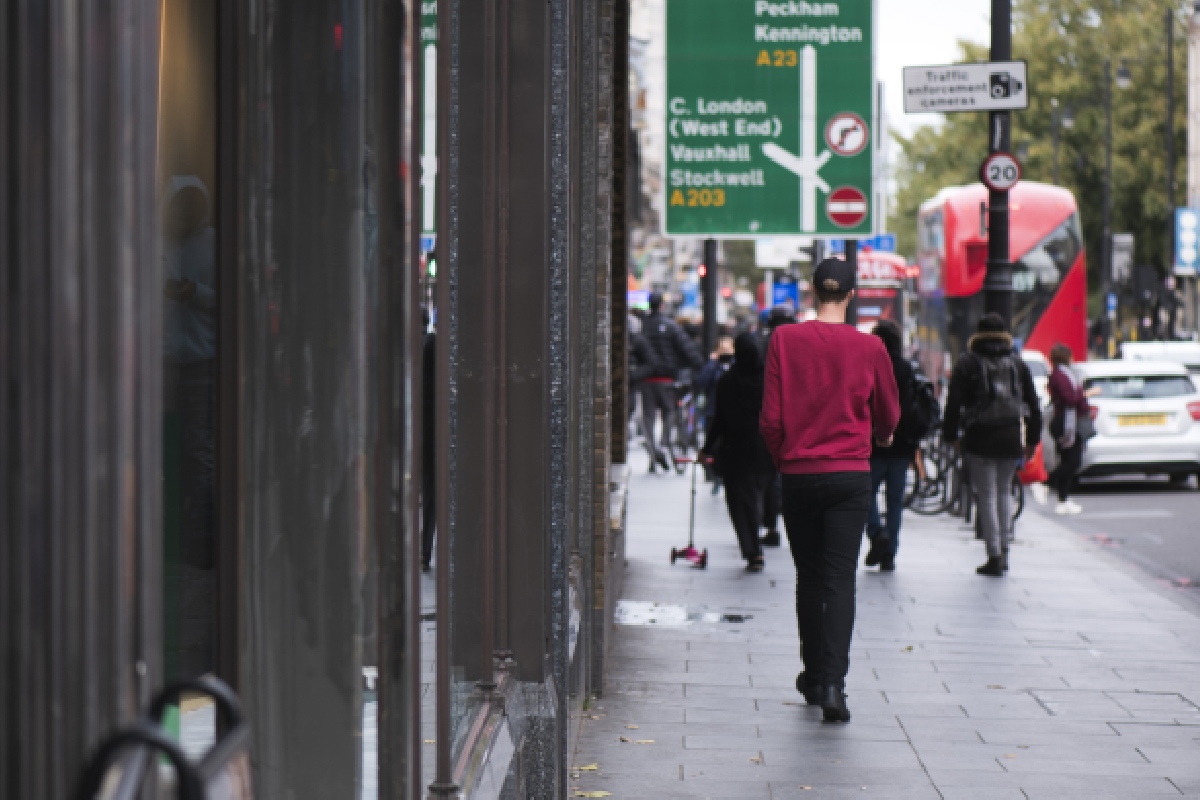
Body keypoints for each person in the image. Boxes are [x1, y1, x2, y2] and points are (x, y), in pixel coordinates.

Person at [761, 258, 900, 723]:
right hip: (849, 474)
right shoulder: (871, 347)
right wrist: (882, 435)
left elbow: (771, 419)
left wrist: (785, 458)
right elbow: (889, 413)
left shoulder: (784, 340)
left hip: (799, 473)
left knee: (809, 576)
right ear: (852, 295)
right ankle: (835, 685)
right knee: (841, 578)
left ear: (812, 291)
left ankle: (814, 674)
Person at [942, 314, 1042, 577]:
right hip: (1010, 437)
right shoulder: (1017, 364)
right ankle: (1005, 550)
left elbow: (953, 403)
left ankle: (994, 554)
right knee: (1004, 493)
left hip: (979, 437)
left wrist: (951, 436)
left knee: (985, 496)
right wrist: (1032, 439)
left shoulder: (967, 363)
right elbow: (1033, 404)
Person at [702, 333, 774, 572]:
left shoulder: (728, 381)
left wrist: (707, 448)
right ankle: (756, 543)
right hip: (764, 449)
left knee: (738, 502)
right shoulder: (769, 381)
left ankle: (751, 549)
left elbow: (719, 420)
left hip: (735, 450)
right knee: (757, 495)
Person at [864, 320, 916, 573]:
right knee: (895, 502)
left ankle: (877, 533)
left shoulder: (870, 365)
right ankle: (889, 554)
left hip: (873, 443)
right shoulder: (905, 368)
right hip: (901, 444)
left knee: (866, 494)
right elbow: (910, 406)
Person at [640, 292, 704, 473]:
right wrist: (701, 366)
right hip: (667, 378)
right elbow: (687, 349)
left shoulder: (643, 326)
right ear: (662, 305)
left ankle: (653, 452)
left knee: (648, 417)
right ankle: (664, 442)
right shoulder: (671, 326)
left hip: (646, 378)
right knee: (670, 412)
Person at [758, 307, 797, 547]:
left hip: (770, 414)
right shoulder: (800, 344)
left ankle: (771, 525)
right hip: (798, 416)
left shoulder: (764, 343)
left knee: (770, 475)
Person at [1046, 342, 1092, 515]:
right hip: (1067, 424)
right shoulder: (1061, 375)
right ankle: (1045, 482)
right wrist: (1085, 393)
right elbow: (1070, 399)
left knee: (1067, 461)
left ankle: (1063, 501)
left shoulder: (1063, 374)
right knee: (1072, 462)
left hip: (1068, 421)